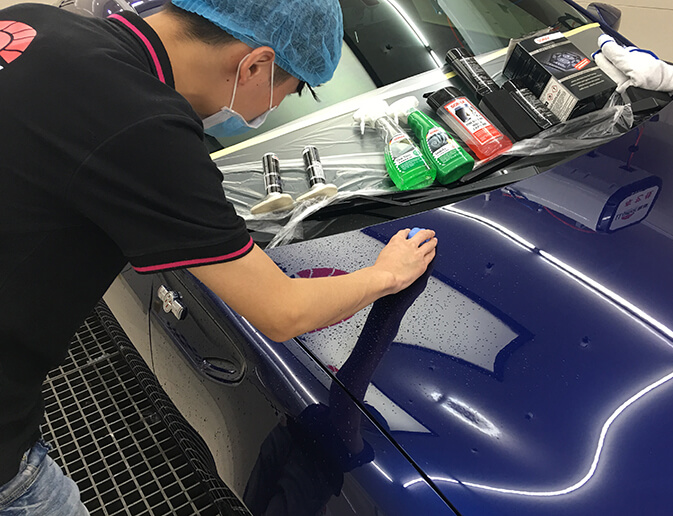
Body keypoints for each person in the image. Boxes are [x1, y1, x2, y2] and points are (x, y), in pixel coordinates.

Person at [0, 0, 437, 514]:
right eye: (291, 90)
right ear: (255, 65)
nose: (270, 110)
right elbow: (283, 311)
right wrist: (386, 273)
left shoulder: (32, 21)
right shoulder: (145, 125)